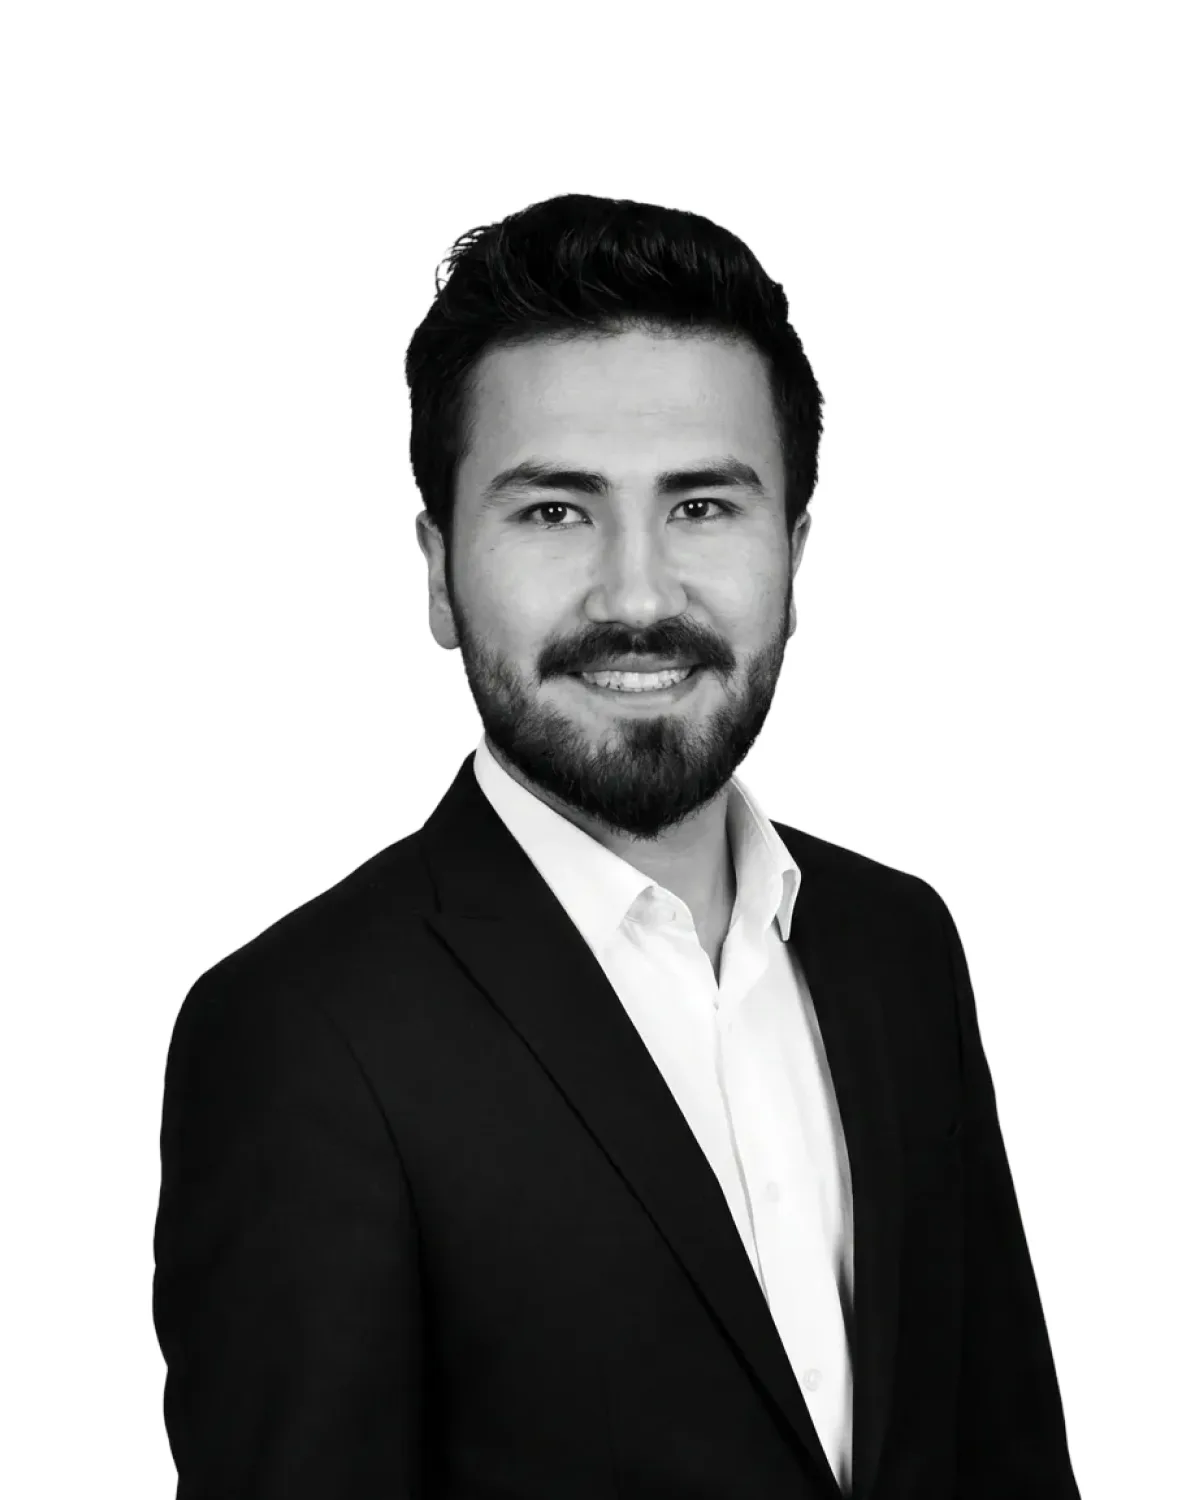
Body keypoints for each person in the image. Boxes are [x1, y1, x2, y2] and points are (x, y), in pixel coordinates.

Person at [152, 193, 1081, 1499]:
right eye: (554, 512)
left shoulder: (899, 946)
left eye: (702, 506)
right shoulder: (300, 1036)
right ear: (438, 571)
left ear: (793, 554)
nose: (638, 595)